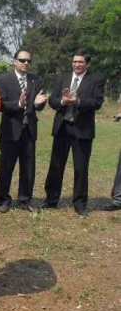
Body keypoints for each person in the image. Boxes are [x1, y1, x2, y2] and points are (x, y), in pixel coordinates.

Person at [43, 51, 105, 216]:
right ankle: (51, 199)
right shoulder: (62, 78)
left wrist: (78, 102)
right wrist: (63, 101)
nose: (77, 65)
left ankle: (80, 203)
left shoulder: (96, 79)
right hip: (62, 128)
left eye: (81, 62)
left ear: (87, 64)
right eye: (75, 62)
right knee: (56, 166)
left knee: (81, 167)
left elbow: (97, 102)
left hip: (82, 129)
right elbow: (52, 100)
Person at [0, 49, 47, 213]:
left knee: (28, 168)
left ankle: (25, 199)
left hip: (29, 131)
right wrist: (19, 104)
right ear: (14, 61)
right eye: (22, 60)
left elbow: (39, 106)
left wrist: (39, 103)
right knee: (6, 168)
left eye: (28, 61)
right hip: (10, 131)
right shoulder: (4, 81)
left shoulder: (35, 80)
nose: (26, 63)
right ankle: (4, 199)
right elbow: (2, 105)